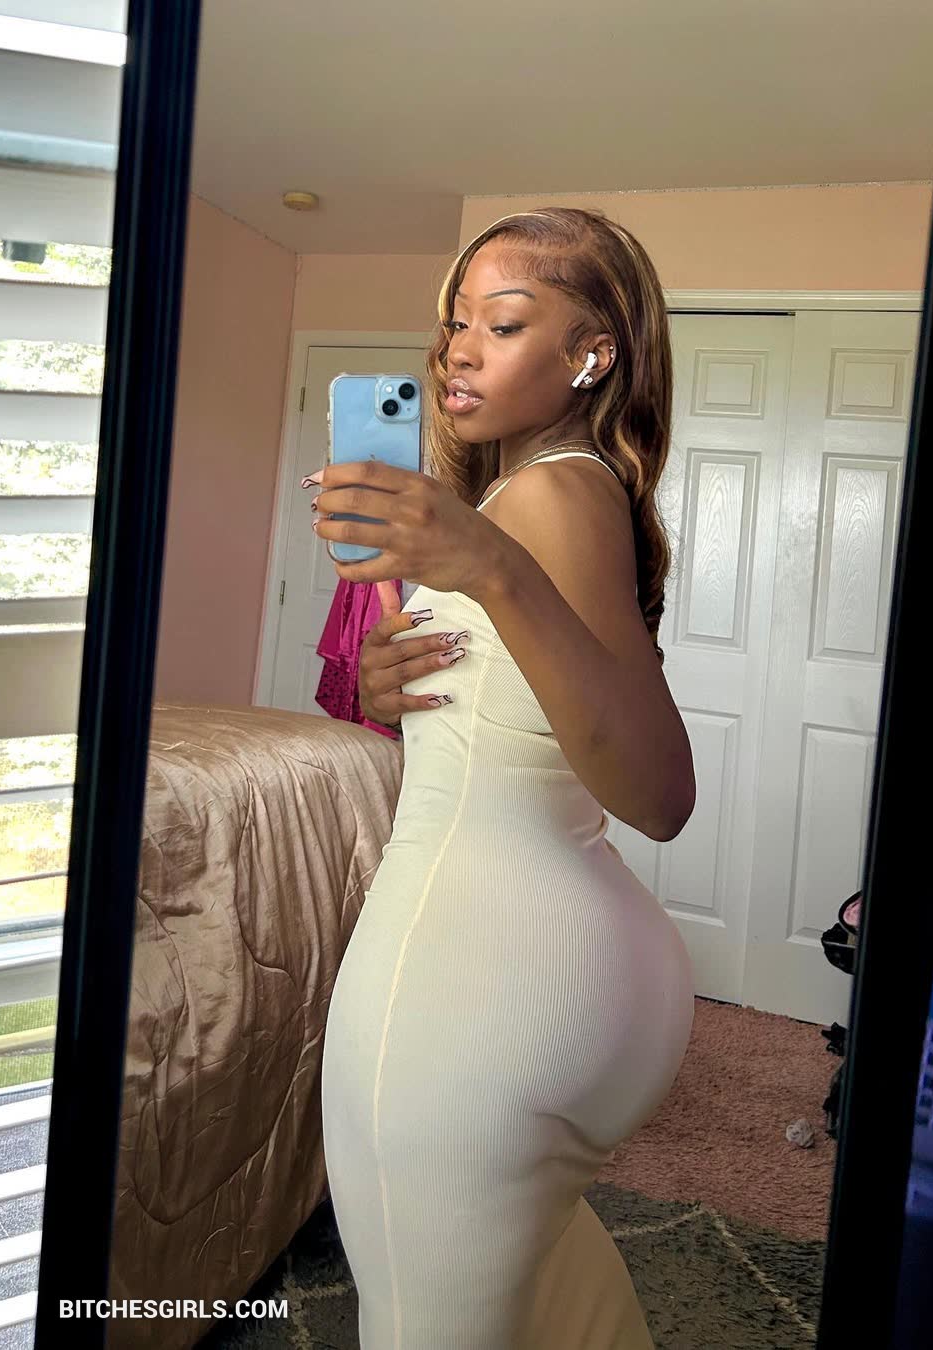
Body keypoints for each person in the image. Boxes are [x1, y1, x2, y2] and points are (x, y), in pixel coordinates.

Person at [313, 207, 697, 1348]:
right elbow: (530, 715)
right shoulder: (547, 490)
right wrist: (391, 690)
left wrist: (489, 566)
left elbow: (660, 794)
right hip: (539, 974)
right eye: (454, 324)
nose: (459, 351)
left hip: (472, 990)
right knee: (564, 1318)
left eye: (504, 322)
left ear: (592, 354)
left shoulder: (551, 496)